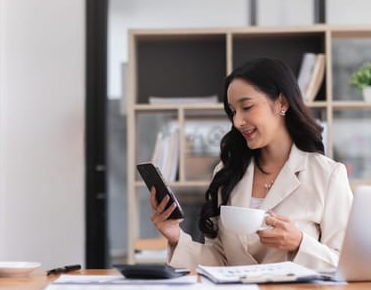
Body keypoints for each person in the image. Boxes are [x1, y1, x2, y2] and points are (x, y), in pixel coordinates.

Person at [149, 57, 353, 272]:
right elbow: (219, 260)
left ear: (281, 103)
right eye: (233, 111)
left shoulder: (327, 175)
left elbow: (346, 264)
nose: (237, 122)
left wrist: (299, 243)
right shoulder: (228, 173)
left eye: (246, 107)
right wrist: (176, 238)